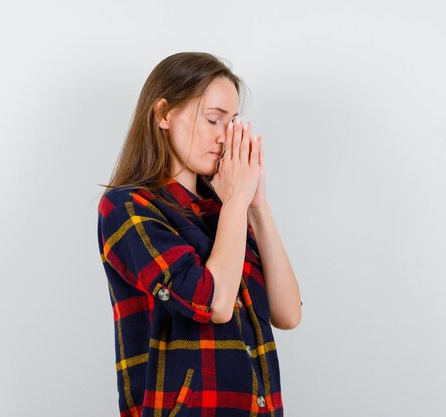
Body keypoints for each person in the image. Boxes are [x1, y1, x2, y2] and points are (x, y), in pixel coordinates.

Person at [96, 52, 302, 417]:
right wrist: (237, 201)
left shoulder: (222, 210)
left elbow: (287, 314)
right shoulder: (127, 207)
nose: (224, 137)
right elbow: (213, 303)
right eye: (212, 120)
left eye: (232, 122)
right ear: (162, 114)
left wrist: (257, 206)